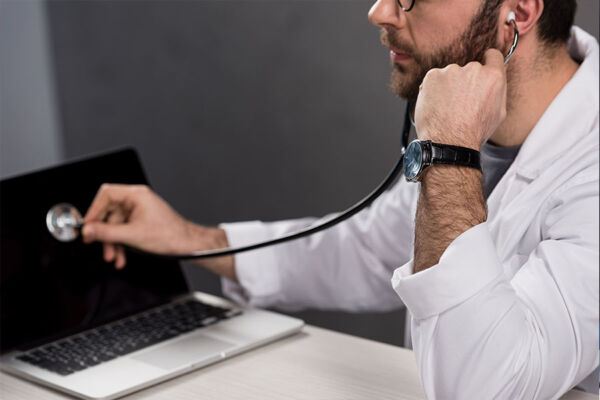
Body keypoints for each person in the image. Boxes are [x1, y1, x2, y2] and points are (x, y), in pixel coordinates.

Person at [81, 0, 599, 398]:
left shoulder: (568, 167)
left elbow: (486, 387)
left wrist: (448, 152)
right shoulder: (477, 134)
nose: (379, 12)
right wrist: (191, 240)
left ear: (520, 12)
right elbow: (369, 251)